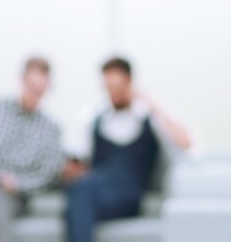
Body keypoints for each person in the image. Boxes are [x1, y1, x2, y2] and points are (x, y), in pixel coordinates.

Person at [62, 57, 191, 242]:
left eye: (117, 87)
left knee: (80, 198)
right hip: (96, 189)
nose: (112, 93)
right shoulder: (92, 119)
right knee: (80, 192)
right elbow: (76, 164)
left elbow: (185, 142)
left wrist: (148, 100)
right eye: (108, 87)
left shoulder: (149, 117)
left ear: (129, 83)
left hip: (128, 194)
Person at [0, 57, 64, 242]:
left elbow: (47, 175)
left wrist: (18, 183)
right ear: (22, 81)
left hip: (10, 196)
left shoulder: (50, 129)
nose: (35, 94)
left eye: (41, 90)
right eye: (32, 87)